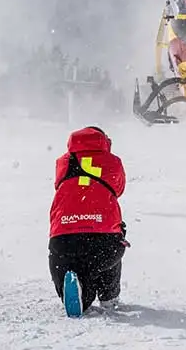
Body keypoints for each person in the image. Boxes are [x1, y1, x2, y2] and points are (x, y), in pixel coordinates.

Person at [48, 126, 129, 317]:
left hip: (63, 238)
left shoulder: (63, 162)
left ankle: (78, 290)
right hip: (103, 237)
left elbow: (59, 184)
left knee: (70, 266)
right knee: (110, 249)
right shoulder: (113, 162)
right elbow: (118, 188)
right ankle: (109, 296)